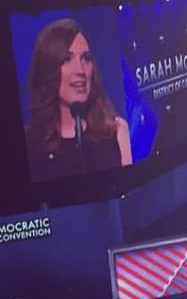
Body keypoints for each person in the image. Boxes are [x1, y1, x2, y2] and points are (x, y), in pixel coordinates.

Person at [24, 18, 132, 183]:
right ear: (49, 68)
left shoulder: (116, 131)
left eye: (85, 58)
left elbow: (128, 203)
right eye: (67, 59)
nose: (80, 70)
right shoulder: (30, 144)